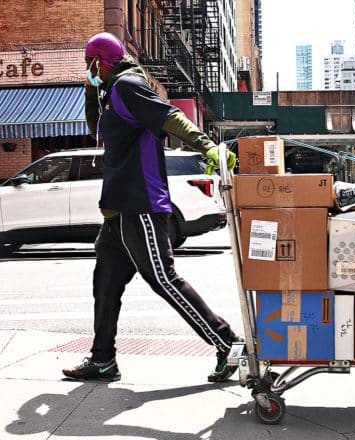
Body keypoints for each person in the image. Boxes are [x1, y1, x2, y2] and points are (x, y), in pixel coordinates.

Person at [62, 32, 239, 383]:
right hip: (117, 210)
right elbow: (96, 129)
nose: (87, 69)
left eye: (89, 63)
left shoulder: (128, 85)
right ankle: (102, 359)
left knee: (162, 279)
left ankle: (227, 343)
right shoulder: (111, 93)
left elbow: (169, 117)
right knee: (106, 282)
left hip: (141, 202)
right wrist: (89, 88)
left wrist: (209, 147)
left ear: (102, 61)